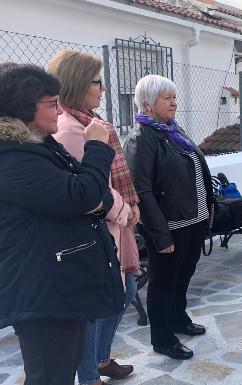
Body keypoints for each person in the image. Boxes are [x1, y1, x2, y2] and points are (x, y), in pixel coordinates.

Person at [0, 63, 124, 385]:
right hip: (40, 289)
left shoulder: (36, 144)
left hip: (58, 283)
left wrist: (93, 197)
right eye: (51, 103)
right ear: (23, 107)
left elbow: (87, 194)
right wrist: (97, 146)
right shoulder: (11, 157)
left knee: (61, 369)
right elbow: (80, 194)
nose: (58, 110)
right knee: (49, 375)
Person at [48, 50, 139, 384]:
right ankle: (89, 375)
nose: (103, 89)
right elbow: (90, 188)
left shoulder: (91, 124)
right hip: (96, 231)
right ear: (76, 84)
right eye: (97, 82)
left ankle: (100, 360)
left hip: (113, 226)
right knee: (93, 309)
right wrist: (125, 209)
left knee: (124, 291)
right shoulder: (70, 130)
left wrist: (129, 206)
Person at [124, 74, 214, 359]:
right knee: (163, 282)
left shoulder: (172, 130)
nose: (175, 103)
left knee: (183, 274)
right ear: (148, 105)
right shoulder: (142, 138)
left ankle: (178, 318)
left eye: (175, 97)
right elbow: (141, 190)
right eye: (168, 98)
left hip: (193, 221)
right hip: (169, 227)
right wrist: (160, 235)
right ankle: (162, 338)